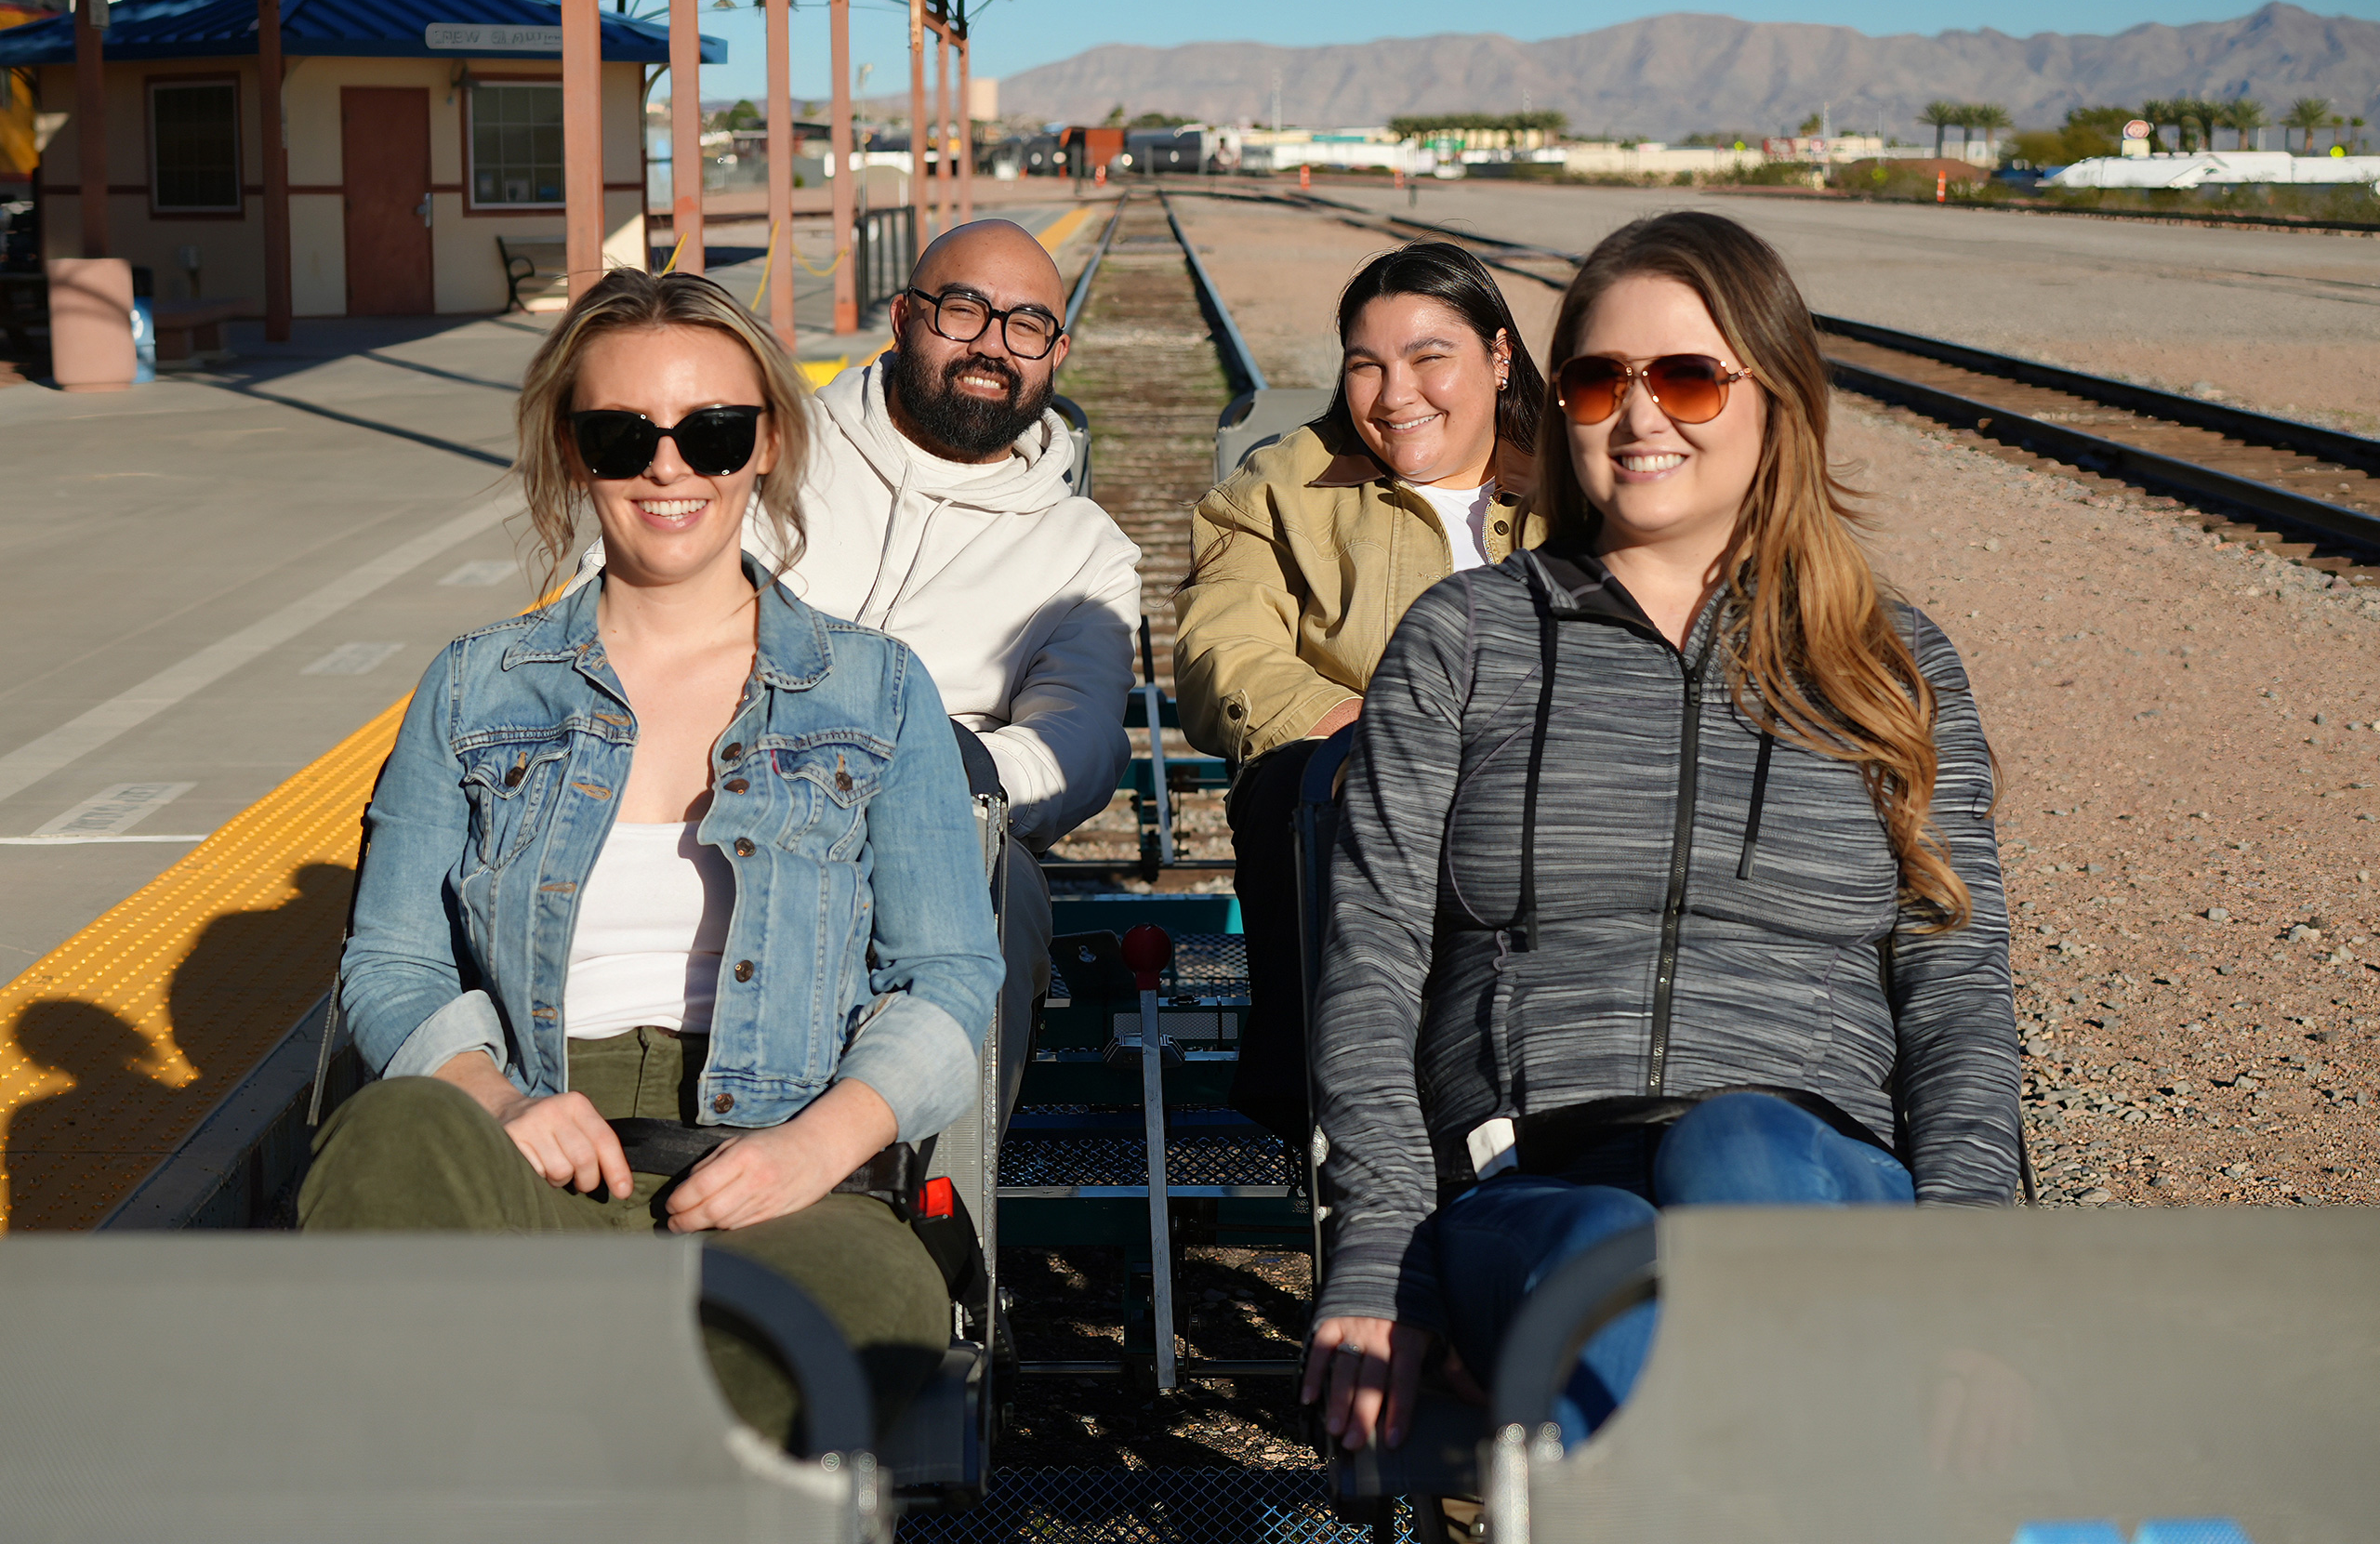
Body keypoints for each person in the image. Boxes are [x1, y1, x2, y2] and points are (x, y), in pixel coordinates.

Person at [1302, 212, 2021, 1456]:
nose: (1638, 417)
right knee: (1605, 1254)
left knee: (1738, 1149)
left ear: (1777, 396)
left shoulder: (1887, 663)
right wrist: (1380, 1254)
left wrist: (1977, 1282)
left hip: (1813, 1173)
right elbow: (1371, 964)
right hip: (1531, 1183)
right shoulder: (1464, 641)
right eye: (1597, 380)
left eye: (1687, 377)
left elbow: (1956, 989)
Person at [301, 271, 1006, 1443]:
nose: (669, 468)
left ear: (766, 443)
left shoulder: (874, 688)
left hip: (777, 1181)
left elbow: (947, 973)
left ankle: (527, 1444)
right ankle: (613, 1445)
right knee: (385, 1139)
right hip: (529, 1153)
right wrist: (493, 1096)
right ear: (573, 452)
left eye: (711, 431)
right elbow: (391, 960)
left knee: (868, 1307)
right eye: (623, 435)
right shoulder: (474, 687)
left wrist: (813, 1147)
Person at [582, 219, 1140, 1125]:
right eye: (964, 310)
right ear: (904, 317)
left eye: (1027, 325)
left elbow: (1076, 742)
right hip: (708, 785)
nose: (993, 345)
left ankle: (930, 1186)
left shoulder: (1084, 551)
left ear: (1056, 352)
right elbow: (610, 601)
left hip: (941, 824)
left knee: (1002, 894)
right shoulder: (768, 447)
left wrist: (926, 768)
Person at [1171, 241, 1548, 1142]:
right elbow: (1224, 644)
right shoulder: (1282, 486)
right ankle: (1337, 1108)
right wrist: (1362, 732)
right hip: (1346, 778)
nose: (1393, 394)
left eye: (1428, 357)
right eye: (1365, 365)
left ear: (1498, 356)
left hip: (1548, 781)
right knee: (1307, 791)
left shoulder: (1577, 483)